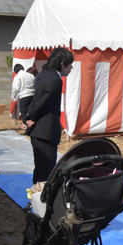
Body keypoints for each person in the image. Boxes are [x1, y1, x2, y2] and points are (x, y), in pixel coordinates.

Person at [25, 47, 74, 184]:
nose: (71, 68)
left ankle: (36, 197)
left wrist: (28, 117)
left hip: (38, 131)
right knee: (45, 170)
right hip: (45, 132)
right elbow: (43, 102)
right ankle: (40, 200)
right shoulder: (55, 80)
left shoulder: (42, 75)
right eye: (70, 64)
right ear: (62, 63)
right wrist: (31, 118)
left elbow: (34, 100)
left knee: (40, 168)